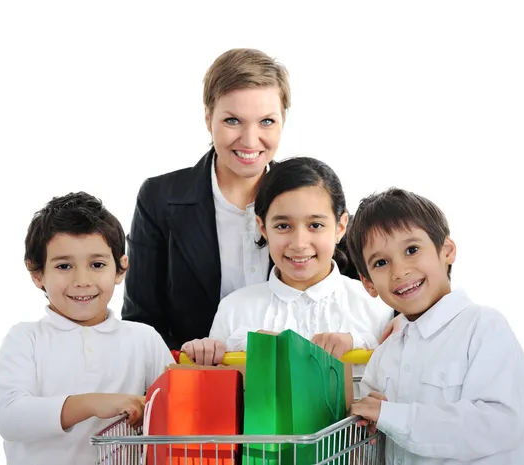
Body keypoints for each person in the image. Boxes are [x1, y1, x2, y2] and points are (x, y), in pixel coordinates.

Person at [122, 48, 359, 350]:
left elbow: (360, 296)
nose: (250, 140)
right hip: (195, 379)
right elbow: (141, 321)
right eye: (233, 121)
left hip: (298, 382)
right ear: (208, 118)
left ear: (283, 120)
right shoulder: (159, 198)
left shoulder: (312, 197)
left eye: (266, 122)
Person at [347, 188, 524, 464]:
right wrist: (371, 425)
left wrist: (392, 416)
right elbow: (375, 445)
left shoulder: (483, 327)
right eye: (382, 262)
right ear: (368, 284)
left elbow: (499, 427)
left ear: (447, 251)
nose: (400, 271)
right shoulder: (383, 358)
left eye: (412, 250)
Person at [0, 192, 175, 465]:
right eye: (64, 266)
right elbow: (10, 417)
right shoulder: (25, 338)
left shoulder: (143, 339)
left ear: (120, 269)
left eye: (97, 264)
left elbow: (175, 408)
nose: (82, 280)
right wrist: (92, 403)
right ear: (37, 273)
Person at [181, 157, 393, 367]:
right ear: (262, 227)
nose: (299, 244)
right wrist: (202, 355)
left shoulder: (379, 305)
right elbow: (217, 392)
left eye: (316, 225)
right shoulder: (233, 310)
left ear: (341, 226)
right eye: (283, 226)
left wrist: (358, 343)